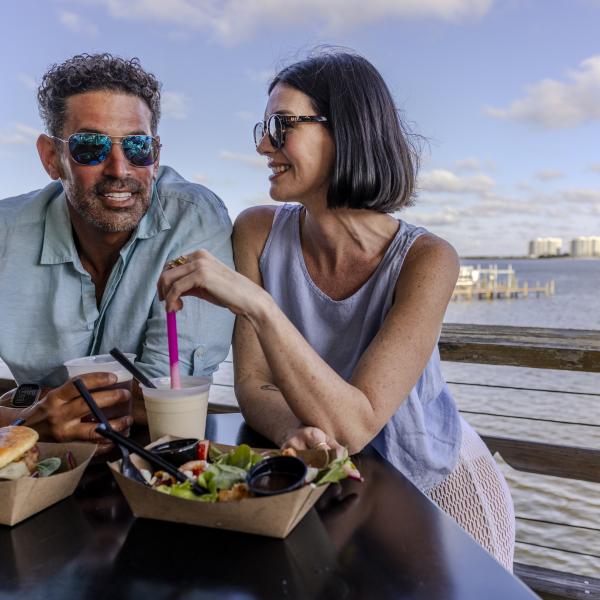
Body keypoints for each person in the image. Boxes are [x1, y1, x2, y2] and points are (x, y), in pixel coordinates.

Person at [158, 49, 515, 569]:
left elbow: (358, 424)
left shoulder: (427, 260)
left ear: (346, 131)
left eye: (281, 126)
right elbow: (254, 385)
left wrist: (258, 305)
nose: (263, 144)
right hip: (325, 481)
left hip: (433, 487)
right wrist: (292, 432)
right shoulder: (257, 231)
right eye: (263, 126)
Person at [0, 54, 234, 446]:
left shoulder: (193, 218)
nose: (119, 169)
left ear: (156, 158)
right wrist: (26, 420)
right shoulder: (6, 234)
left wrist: (26, 405)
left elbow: (165, 397)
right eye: (90, 147)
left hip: (154, 465)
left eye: (138, 146)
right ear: (51, 158)